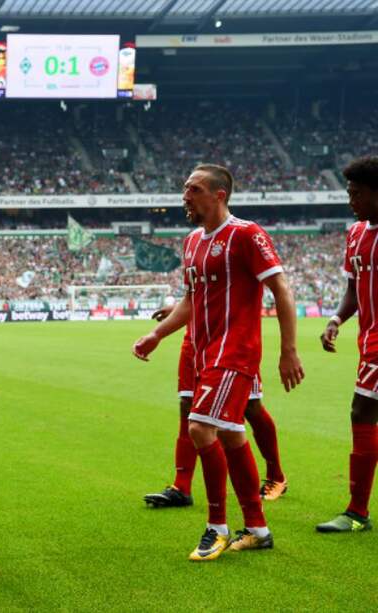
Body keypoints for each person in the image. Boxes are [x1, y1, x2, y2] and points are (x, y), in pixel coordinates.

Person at [132, 164, 304, 561]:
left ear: (218, 194)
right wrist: (158, 335)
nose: (185, 196)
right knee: (230, 435)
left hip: (236, 351)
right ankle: (258, 529)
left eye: (192, 189)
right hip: (207, 353)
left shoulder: (246, 234)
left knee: (199, 427)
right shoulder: (192, 241)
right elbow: (190, 301)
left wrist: (288, 349)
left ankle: (216, 527)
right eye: (184, 188)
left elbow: (281, 287)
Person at [143, 323, 287, 508]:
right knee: (187, 404)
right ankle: (181, 487)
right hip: (195, 338)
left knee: (250, 406)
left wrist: (288, 349)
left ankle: (275, 476)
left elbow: (281, 293)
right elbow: (191, 298)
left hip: (233, 339)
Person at [317, 156, 378, 533]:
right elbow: (353, 289)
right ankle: (357, 511)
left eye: (357, 193)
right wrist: (337, 319)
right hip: (368, 340)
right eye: (348, 192)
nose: (350, 199)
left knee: (362, 411)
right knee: (362, 412)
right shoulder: (356, 234)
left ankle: (357, 511)